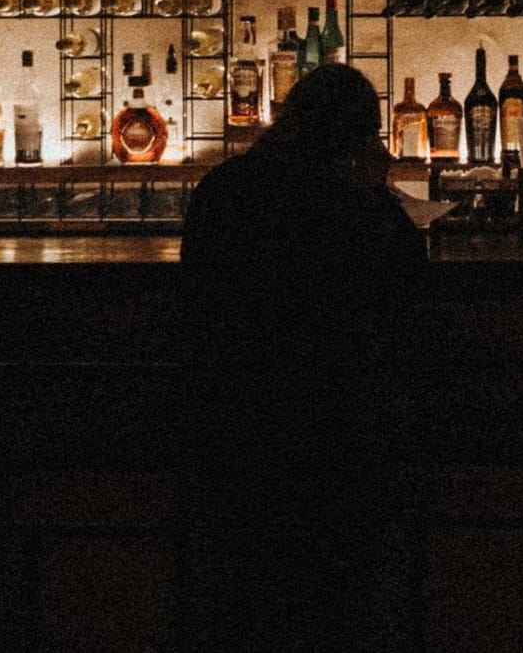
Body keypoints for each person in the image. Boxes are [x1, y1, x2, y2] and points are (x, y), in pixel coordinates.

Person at [175, 62, 429, 653]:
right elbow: (405, 288)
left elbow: (198, 307)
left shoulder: (225, 188)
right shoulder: (357, 206)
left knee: (244, 600)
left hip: (230, 439)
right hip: (344, 443)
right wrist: (380, 191)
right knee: (348, 597)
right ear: (358, 138)